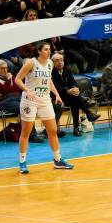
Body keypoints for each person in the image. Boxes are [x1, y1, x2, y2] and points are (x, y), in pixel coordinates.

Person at [14, 41, 74, 173]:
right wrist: (27, 90)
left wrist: (57, 94)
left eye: (49, 49)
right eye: (46, 49)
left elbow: (49, 80)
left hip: (45, 99)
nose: (49, 51)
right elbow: (17, 79)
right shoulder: (31, 62)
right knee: (26, 133)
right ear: (39, 51)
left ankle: (57, 160)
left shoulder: (50, 63)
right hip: (30, 100)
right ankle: (22, 162)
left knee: (52, 130)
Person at [51, 53, 101, 136]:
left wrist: (76, 88)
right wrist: (68, 91)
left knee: (75, 100)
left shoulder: (67, 70)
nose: (60, 62)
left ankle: (77, 126)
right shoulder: (51, 73)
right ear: (52, 63)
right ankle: (85, 117)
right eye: (57, 61)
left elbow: (73, 82)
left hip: (69, 96)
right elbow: (56, 87)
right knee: (75, 99)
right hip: (57, 97)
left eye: (61, 60)